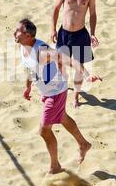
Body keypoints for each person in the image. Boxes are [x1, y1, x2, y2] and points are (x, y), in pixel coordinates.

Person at [14, 18, 102, 174]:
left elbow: (67, 60)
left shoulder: (42, 51)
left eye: (18, 31)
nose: (15, 33)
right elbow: (30, 69)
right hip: (47, 92)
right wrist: (27, 88)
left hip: (55, 93)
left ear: (28, 35)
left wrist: (87, 74)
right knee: (62, 118)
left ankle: (55, 166)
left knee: (44, 130)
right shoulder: (23, 47)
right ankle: (83, 144)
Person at [51, 0, 98, 108]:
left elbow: (93, 14)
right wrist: (53, 29)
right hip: (64, 33)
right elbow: (56, 10)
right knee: (60, 63)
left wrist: (93, 33)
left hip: (80, 35)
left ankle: (76, 97)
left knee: (79, 67)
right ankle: (58, 92)